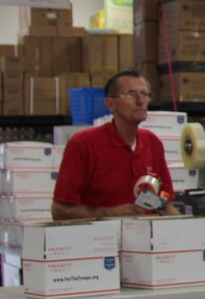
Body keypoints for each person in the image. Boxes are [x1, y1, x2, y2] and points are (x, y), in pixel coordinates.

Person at [51, 70, 176, 219]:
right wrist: (110, 213)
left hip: (145, 238)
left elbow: (164, 204)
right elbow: (59, 211)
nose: (141, 101)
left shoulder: (153, 144)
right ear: (110, 104)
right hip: (100, 239)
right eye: (131, 94)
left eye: (145, 94)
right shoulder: (83, 145)